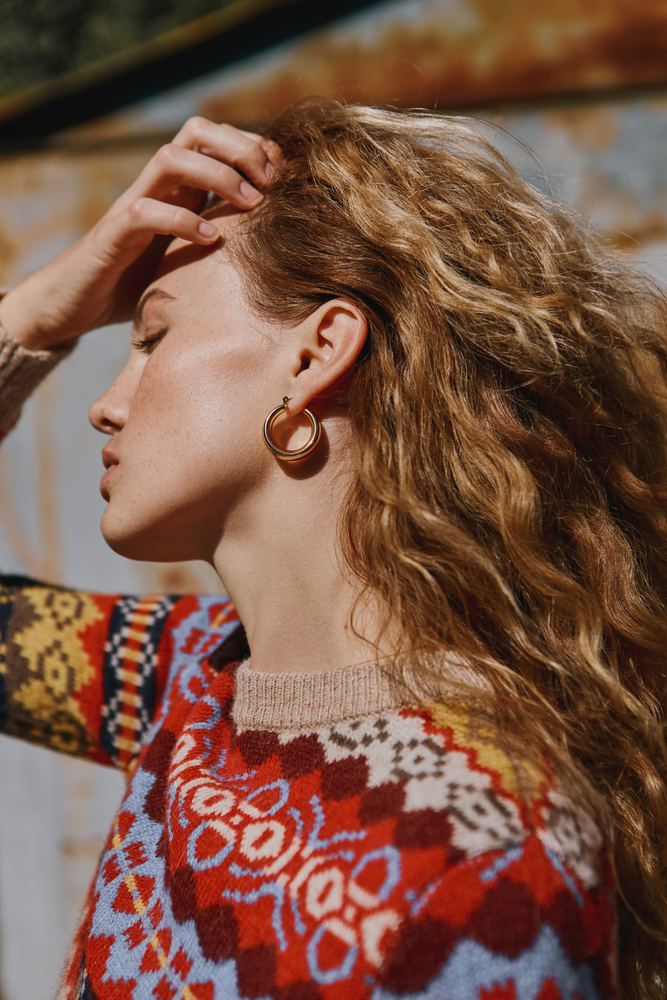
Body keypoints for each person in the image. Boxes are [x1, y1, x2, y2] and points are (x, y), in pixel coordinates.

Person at [0, 98, 664, 1000]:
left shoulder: (485, 863)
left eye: (152, 337)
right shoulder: (192, 682)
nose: (104, 403)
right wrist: (33, 321)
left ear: (317, 354)